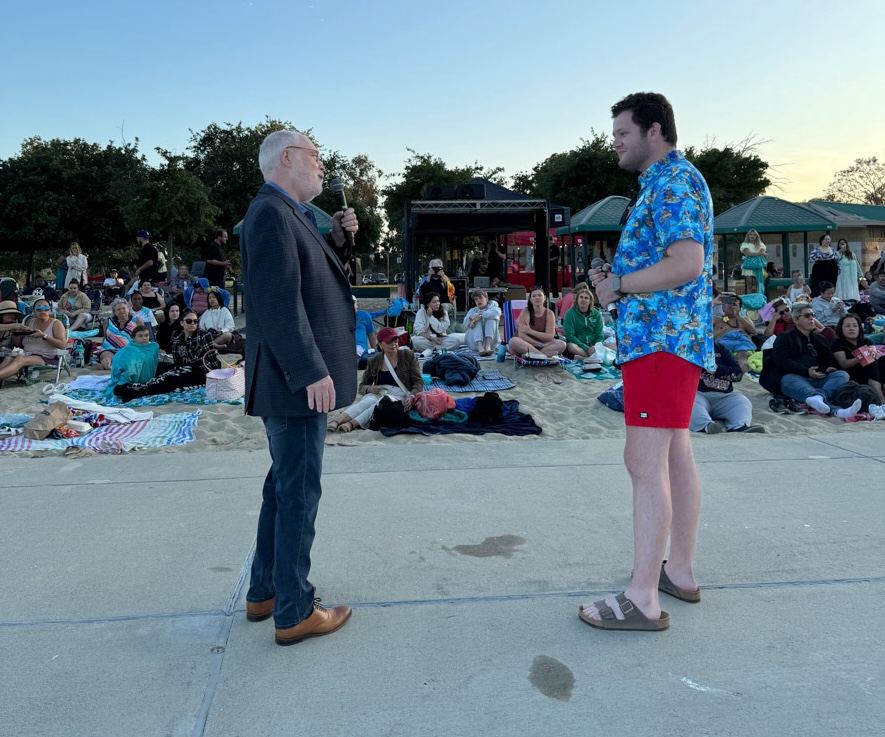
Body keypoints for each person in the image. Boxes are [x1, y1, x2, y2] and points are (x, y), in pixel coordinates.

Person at [581, 92, 714, 632]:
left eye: (622, 134)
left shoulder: (675, 182)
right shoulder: (668, 183)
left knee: (643, 465)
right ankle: (676, 570)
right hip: (669, 341)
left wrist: (618, 287)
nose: (615, 143)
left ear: (654, 130)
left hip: (661, 342)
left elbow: (687, 262)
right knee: (675, 454)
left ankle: (641, 598)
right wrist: (618, 284)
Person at [240, 129, 358, 646]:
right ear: (288, 158)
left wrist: (336, 240)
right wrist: (310, 369)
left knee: (283, 485)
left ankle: (265, 591)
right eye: (315, 156)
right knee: (298, 490)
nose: (321, 166)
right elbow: (278, 301)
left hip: (291, 378)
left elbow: (311, 276)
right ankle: (294, 609)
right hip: (295, 380)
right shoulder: (270, 213)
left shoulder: (292, 214)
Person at [760, 302, 856, 417]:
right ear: (795, 320)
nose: (811, 319)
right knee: (788, 380)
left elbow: (829, 358)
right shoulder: (784, 337)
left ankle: (819, 397)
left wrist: (830, 366)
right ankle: (836, 411)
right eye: (807, 316)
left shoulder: (819, 339)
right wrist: (806, 371)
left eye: (813, 315)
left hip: (820, 377)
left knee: (842, 375)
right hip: (795, 378)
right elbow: (781, 361)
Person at [113, 309, 222, 401]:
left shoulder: (204, 335)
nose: (193, 324)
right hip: (183, 367)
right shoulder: (177, 336)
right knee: (161, 369)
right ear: (182, 323)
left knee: (170, 378)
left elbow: (212, 360)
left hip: (200, 371)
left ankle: (138, 391)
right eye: (189, 321)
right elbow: (177, 360)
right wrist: (177, 369)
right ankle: (133, 386)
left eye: (195, 321)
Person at [329, 326, 423, 432]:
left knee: (378, 404)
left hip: (400, 394)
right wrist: (369, 389)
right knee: (366, 402)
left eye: (395, 340)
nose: (393, 344)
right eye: (389, 342)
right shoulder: (374, 361)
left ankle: (352, 424)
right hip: (380, 391)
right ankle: (337, 421)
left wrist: (412, 396)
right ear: (380, 344)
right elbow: (362, 386)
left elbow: (418, 381)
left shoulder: (408, 356)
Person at [690, 341, 763, 433]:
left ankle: (738, 426)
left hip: (724, 397)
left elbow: (737, 374)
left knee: (742, 401)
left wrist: (717, 370)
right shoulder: (686, 348)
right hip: (698, 394)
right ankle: (706, 426)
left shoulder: (721, 348)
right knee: (689, 402)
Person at [0, 298, 67, 381]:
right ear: (34, 311)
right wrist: (17, 334)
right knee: (9, 358)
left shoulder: (56, 324)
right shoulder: (29, 323)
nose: (42, 310)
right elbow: (18, 344)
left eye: (46, 308)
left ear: (50, 310)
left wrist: (44, 336)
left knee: (20, 359)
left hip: (46, 356)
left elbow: (62, 345)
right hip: (26, 354)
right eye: (39, 308)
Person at [831, 312, 885, 404]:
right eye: (847, 326)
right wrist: (860, 357)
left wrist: (872, 352)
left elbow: (873, 351)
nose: (852, 328)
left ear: (859, 328)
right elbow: (844, 364)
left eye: (855, 326)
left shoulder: (867, 340)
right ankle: (881, 400)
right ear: (841, 328)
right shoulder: (837, 343)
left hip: (872, 372)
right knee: (870, 362)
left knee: (883, 360)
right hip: (852, 374)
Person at [508, 285, 566, 359]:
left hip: (543, 345)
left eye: (539, 295)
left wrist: (530, 331)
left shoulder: (549, 313)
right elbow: (522, 335)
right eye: (534, 296)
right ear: (531, 300)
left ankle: (532, 356)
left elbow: (549, 336)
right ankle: (543, 356)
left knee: (562, 344)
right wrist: (539, 344)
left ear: (544, 298)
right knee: (513, 341)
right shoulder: (525, 312)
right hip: (527, 344)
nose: (537, 298)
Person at [103, 324, 160, 401]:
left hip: (148, 379)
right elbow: (126, 367)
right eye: (140, 336)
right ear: (133, 338)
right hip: (130, 379)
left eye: (146, 335)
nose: (144, 338)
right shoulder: (130, 349)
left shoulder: (153, 347)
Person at [713, 294, 757, 373]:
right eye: (729, 302)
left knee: (742, 357)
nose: (731, 305)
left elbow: (753, 331)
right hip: (722, 348)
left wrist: (738, 316)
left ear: (740, 308)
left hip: (743, 348)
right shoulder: (716, 320)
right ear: (723, 306)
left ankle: (737, 374)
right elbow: (699, 318)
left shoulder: (745, 319)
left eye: (734, 304)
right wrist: (713, 303)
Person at [99, 298, 144, 370]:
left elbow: (144, 337)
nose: (122, 311)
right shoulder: (107, 322)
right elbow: (105, 337)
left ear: (128, 309)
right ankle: (110, 364)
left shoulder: (136, 321)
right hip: (109, 349)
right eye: (119, 309)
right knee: (106, 360)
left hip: (129, 349)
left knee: (125, 359)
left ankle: (116, 364)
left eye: (124, 308)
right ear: (114, 312)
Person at [563, 283, 603, 359]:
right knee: (571, 346)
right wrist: (586, 348)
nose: (583, 300)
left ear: (590, 300)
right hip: (578, 345)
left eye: (586, 298)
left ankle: (585, 357)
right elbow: (569, 336)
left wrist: (595, 347)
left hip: (593, 345)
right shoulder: (570, 313)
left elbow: (600, 335)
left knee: (612, 345)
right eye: (581, 297)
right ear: (577, 299)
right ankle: (593, 357)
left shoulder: (596, 314)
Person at [462, 289, 501, 356]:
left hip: (492, 343)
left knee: (491, 319)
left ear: (486, 298)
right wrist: (471, 318)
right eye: (476, 299)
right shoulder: (473, 310)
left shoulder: (493, 307)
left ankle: (488, 346)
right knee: (477, 320)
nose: (478, 301)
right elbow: (465, 324)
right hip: (475, 344)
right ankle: (480, 347)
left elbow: (497, 313)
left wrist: (480, 316)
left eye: (480, 298)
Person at [808, 233, 837, 298]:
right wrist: (822, 258)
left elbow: (836, 259)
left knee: (831, 284)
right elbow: (810, 259)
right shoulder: (816, 249)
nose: (827, 241)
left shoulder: (832, 249)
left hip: (831, 269)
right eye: (825, 239)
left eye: (828, 239)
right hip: (820, 269)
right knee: (818, 285)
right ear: (821, 240)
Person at [739, 229, 766, 295]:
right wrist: (758, 254)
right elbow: (748, 253)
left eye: (754, 235)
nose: (752, 236)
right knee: (749, 284)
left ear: (757, 236)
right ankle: (749, 299)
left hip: (758, 266)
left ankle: (758, 298)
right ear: (748, 236)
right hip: (749, 266)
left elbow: (762, 251)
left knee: (758, 284)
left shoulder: (761, 244)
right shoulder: (745, 244)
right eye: (750, 234)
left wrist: (757, 253)